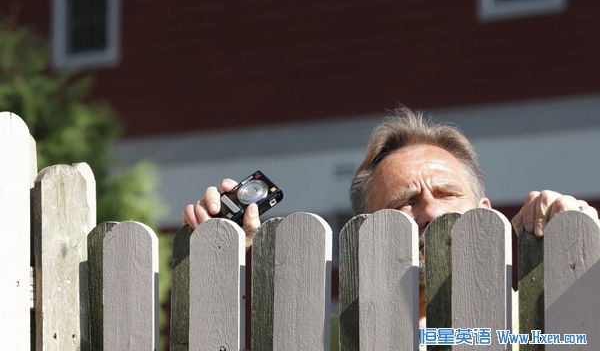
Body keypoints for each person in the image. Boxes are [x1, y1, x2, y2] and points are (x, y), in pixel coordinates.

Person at [183, 106, 598, 328]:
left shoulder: (545, 319)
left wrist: (581, 254)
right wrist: (223, 271)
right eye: (405, 201)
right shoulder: (323, 338)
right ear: (364, 234)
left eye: (447, 193)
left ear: (484, 213)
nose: (432, 212)